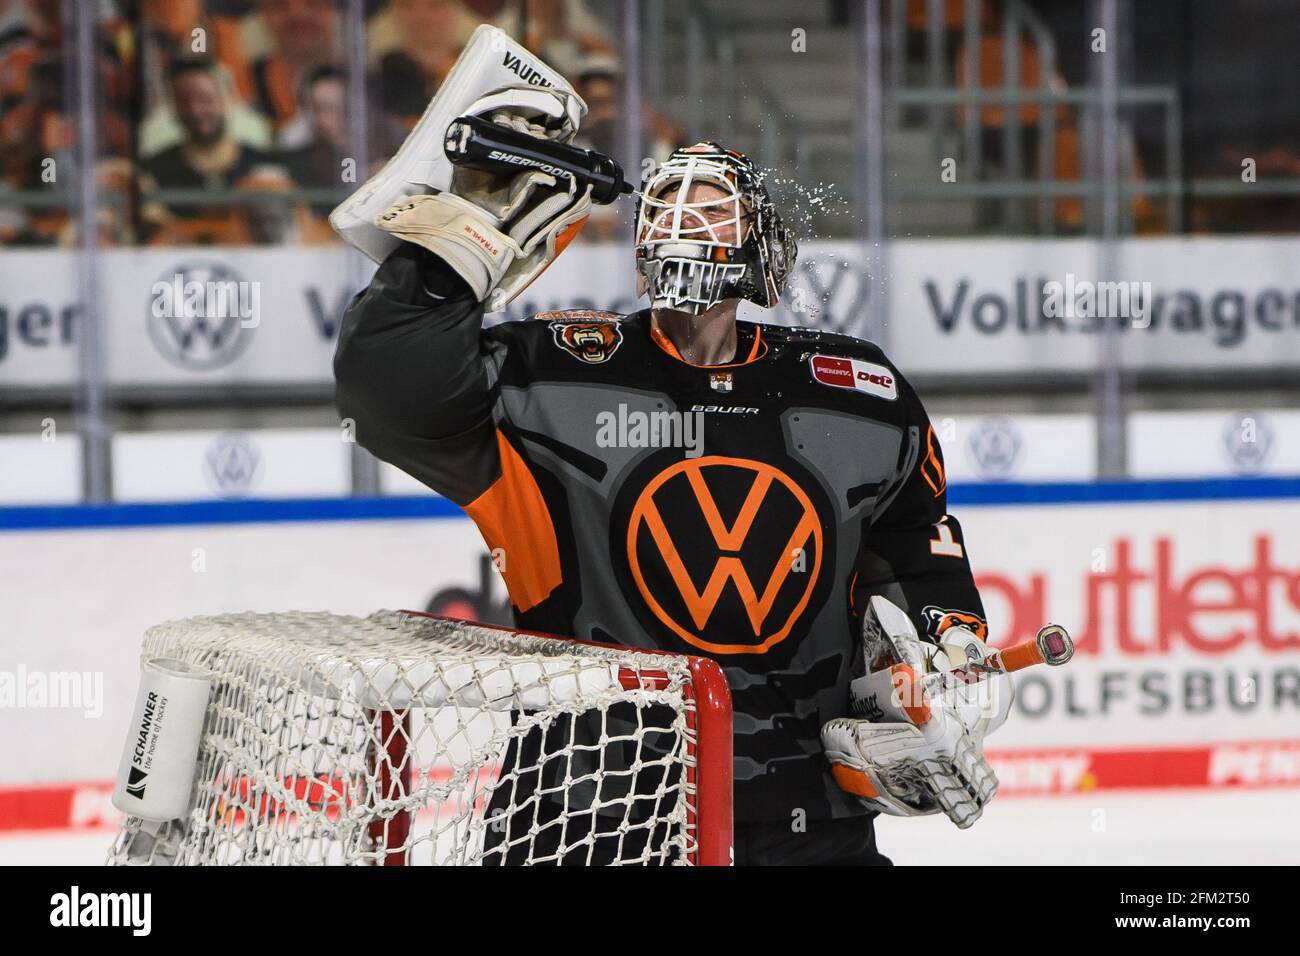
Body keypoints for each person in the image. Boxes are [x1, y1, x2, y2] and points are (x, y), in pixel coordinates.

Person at [334, 98, 995, 863]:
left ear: (761, 246)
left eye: (711, 206)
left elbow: (914, 544)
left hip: (803, 814)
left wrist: (950, 654)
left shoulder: (854, 392)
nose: (683, 218)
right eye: (668, 203)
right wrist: (463, 232)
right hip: (584, 816)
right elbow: (384, 394)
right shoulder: (553, 373)